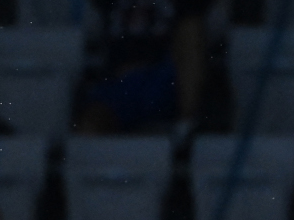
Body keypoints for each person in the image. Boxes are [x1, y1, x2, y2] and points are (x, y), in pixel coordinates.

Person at [79, 0, 215, 134]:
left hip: (165, 78)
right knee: (91, 124)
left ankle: (186, 127)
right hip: (120, 83)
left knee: (192, 27)